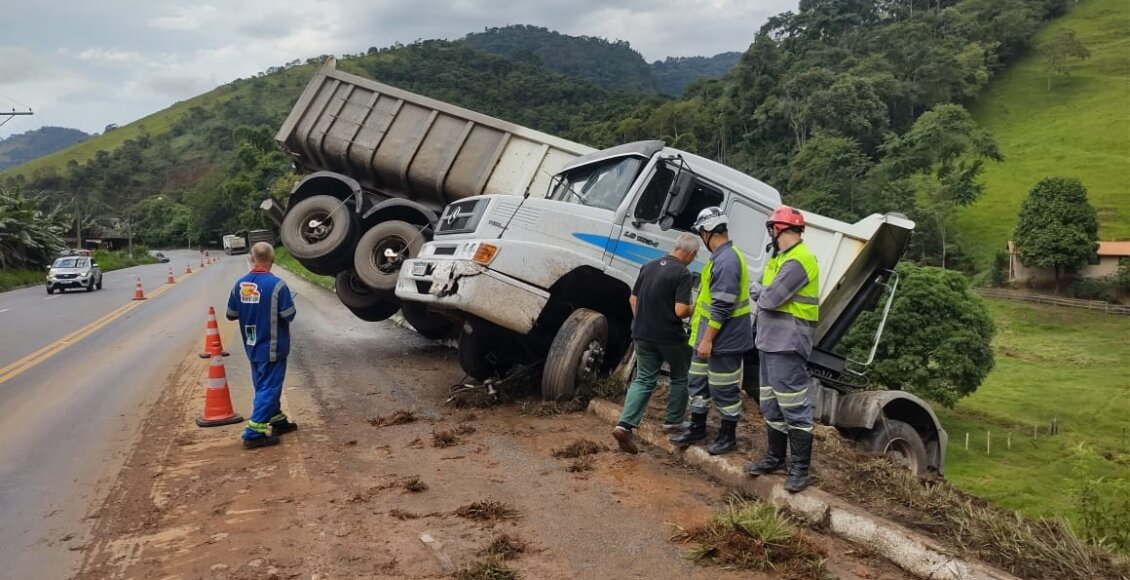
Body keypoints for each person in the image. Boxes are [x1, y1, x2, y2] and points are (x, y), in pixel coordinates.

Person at [744, 206, 820, 493]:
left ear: (778, 229)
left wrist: (759, 292)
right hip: (769, 342)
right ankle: (775, 457)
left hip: (788, 343)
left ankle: (800, 468)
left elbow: (769, 298)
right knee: (771, 404)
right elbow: (765, 292)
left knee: (793, 406)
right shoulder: (781, 259)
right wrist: (761, 291)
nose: (771, 235)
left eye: (772, 230)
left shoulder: (799, 260)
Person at [670, 207, 754, 455]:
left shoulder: (727, 260)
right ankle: (697, 427)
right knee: (697, 382)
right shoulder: (720, 257)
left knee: (723, 388)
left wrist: (707, 339)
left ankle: (728, 436)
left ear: (707, 232)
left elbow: (722, 306)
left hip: (724, 340)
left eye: (700, 233)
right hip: (707, 337)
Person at [612, 233, 700, 454]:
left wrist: (643, 321)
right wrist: (694, 308)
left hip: (642, 333)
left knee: (643, 378)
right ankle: (673, 421)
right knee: (681, 374)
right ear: (690, 253)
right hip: (669, 336)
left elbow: (633, 299)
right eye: (694, 256)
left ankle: (624, 425)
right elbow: (680, 311)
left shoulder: (649, 266)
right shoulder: (682, 273)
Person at [226, 242, 299, 449]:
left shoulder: (239, 285)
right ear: (272, 259)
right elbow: (289, 315)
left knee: (263, 385)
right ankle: (253, 433)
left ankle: (277, 420)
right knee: (269, 388)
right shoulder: (277, 285)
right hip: (272, 347)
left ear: (252, 258)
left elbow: (231, 314)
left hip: (252, 346)